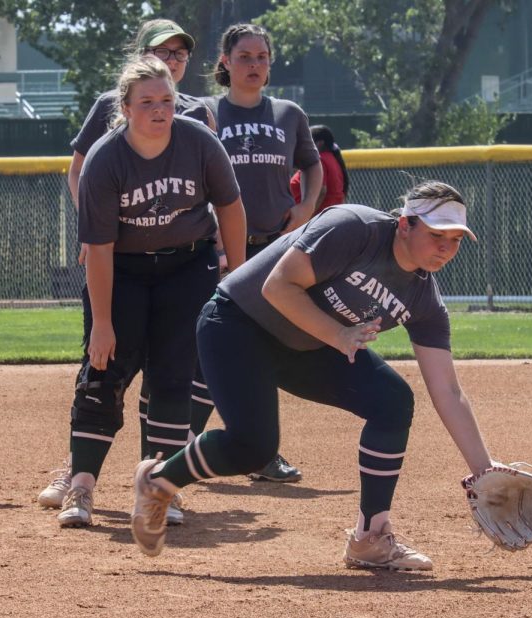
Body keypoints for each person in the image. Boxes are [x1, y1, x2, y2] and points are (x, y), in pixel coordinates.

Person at [130, 180, 496, 571]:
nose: (445, 247)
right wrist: (339, 335)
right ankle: (160, 479)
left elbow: (448, 390)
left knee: (392, 402)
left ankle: (369, 538)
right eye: (436, 234)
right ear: (405, 224)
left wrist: (484, 472)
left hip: (308, 345)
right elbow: (278, 286)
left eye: (455, 239)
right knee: (253, 447)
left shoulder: (424, 299)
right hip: (237, 323)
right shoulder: (353, 227)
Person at [55, 56, 245, 528]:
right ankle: (80, 487)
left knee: (172, 377)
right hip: (123, 270)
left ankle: (159, 488)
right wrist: (101, 323)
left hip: (187, 266)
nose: (160, 111)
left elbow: (231, 205)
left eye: (166, 101)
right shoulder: (106, 156)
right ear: (125, 107)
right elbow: (98, 248)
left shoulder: (197, 140)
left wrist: (238, 280)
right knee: (103, 372)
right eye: (147, 103)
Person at [199, 22, 324, 483]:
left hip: (273, 248)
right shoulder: (206, 112)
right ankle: (179, 450)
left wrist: (307, 205)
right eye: (245, 56)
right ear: (225, 62)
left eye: (262, 57)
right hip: (219, 249)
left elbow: (312, 164)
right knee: (208, 345)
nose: (254, 65)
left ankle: (261, 452)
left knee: (261, 349)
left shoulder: (288, 113)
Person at [290, 124, 349, 214]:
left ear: (320, 143)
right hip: (327, 216)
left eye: (308, 141)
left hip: (317, 218)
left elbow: (321, 191)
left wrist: (307, 218)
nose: (304, 144)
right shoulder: (331, 158)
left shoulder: (319, 160)